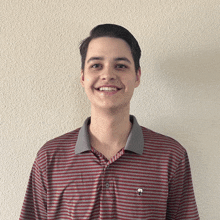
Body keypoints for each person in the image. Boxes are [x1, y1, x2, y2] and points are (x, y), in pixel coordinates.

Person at [20, 24, 199, 219]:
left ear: (137, 76)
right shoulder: (50, 158)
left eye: (121, 66)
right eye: (96, 65)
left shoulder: (170, 156)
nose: (108, 75)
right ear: (82, 77)